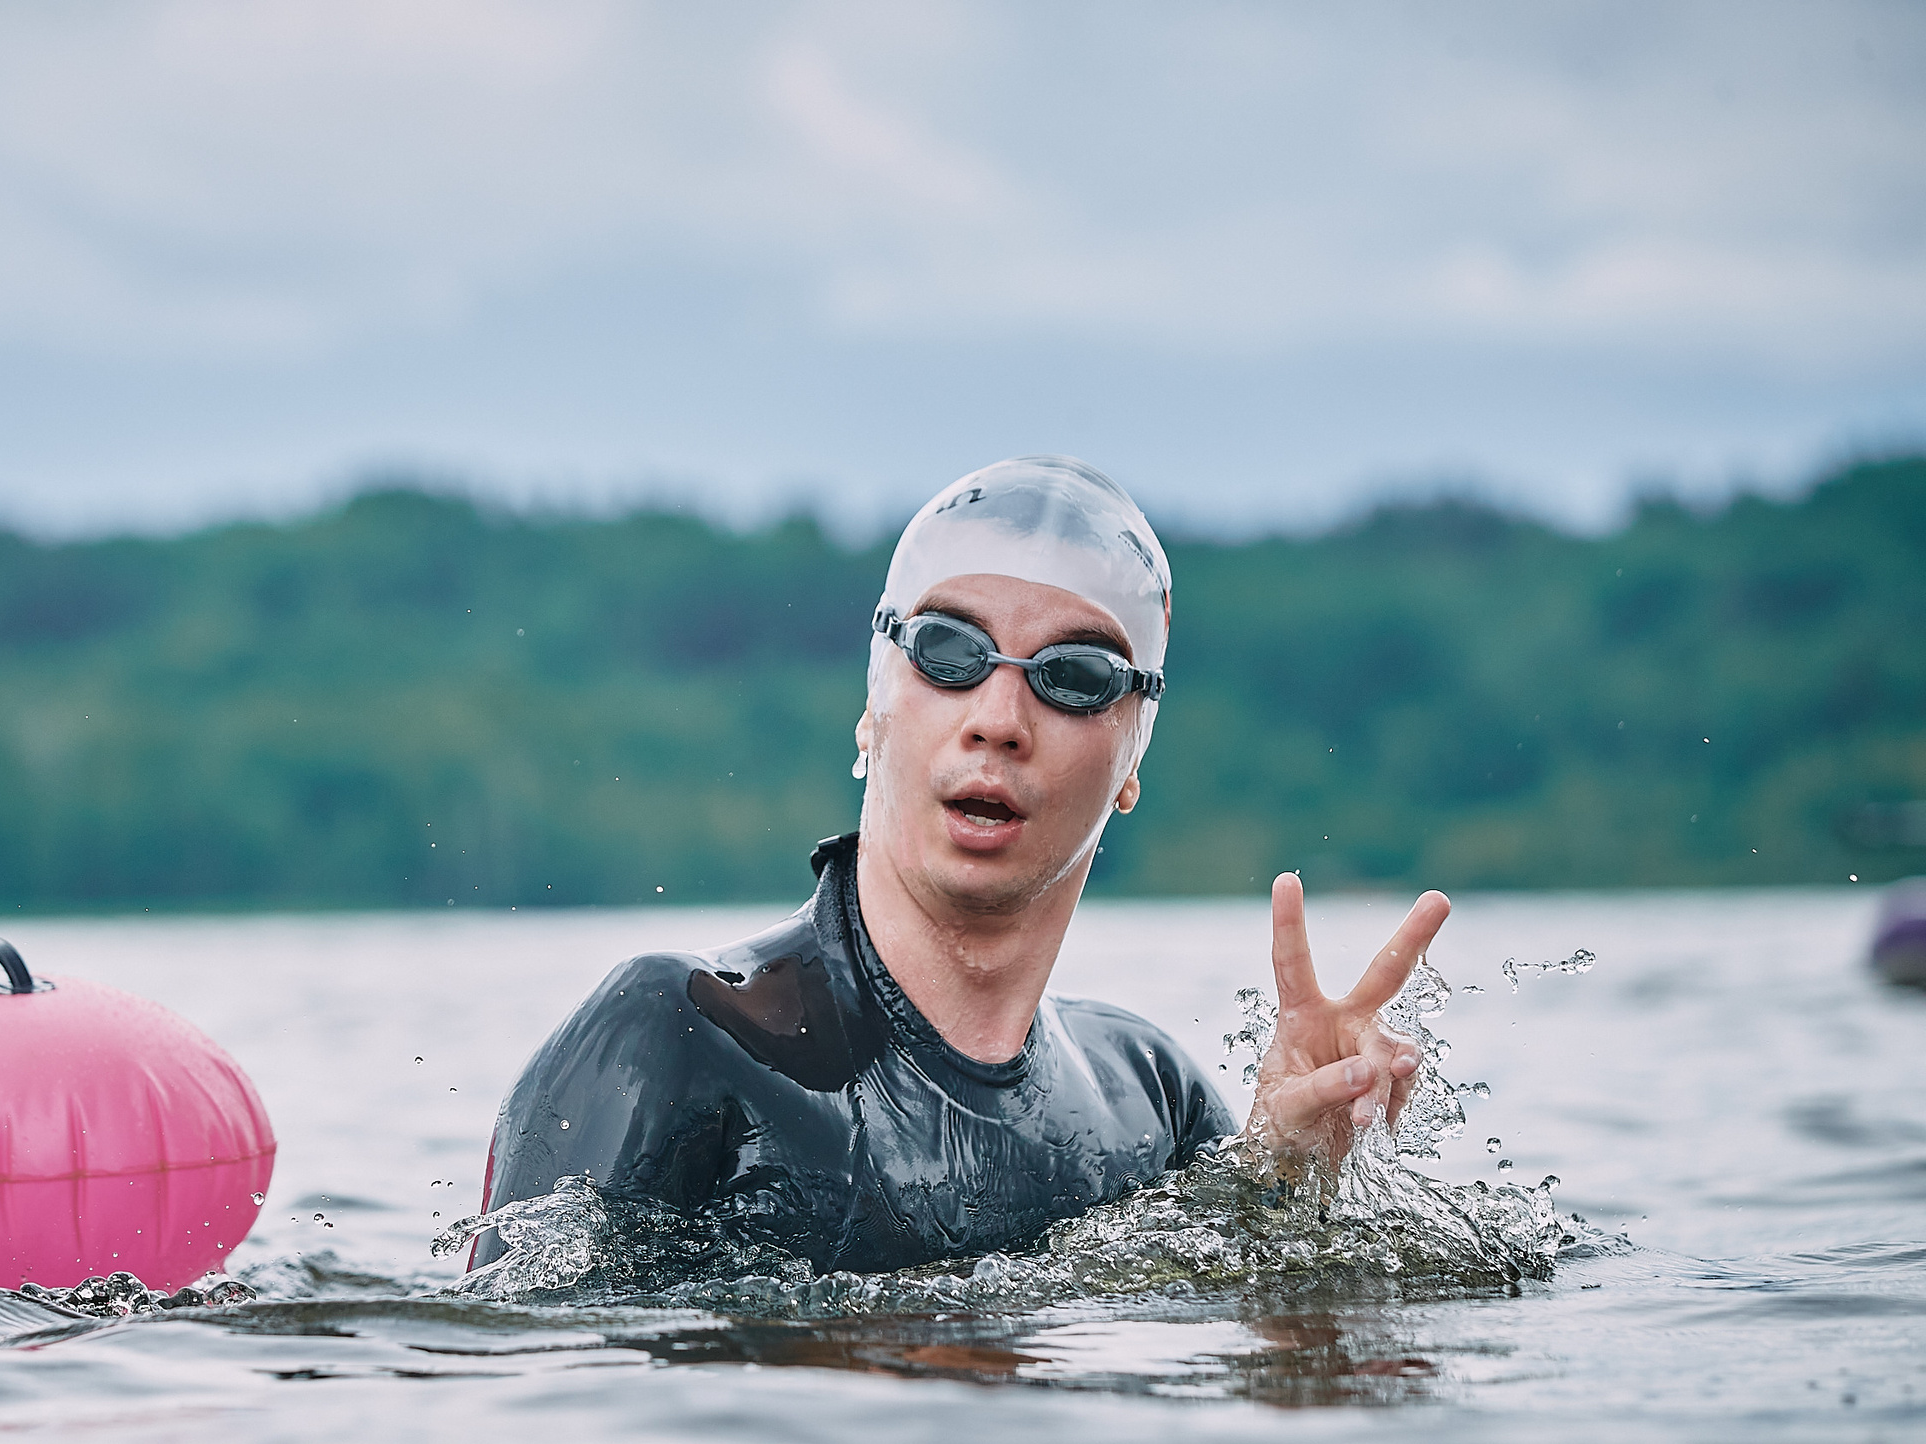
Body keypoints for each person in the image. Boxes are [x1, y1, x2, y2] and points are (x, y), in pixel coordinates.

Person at [469, 455, 1450, 1275]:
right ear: (874, 703)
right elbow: (519, 1397)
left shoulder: (1150, 1102)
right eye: (949, 650)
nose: (998, 718)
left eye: (1074, 676)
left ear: (1131, 759)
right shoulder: (674, 1037)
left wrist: (1286, 1195)